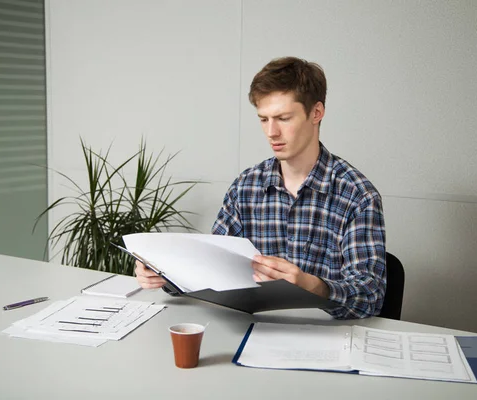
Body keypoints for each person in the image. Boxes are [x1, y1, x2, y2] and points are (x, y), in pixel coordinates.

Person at [135, 56, 386, 319]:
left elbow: (370, 299)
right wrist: (164, 273)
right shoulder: (245, 187)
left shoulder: (358, 196)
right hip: (252, 329)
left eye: (283, 118)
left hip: (328, 338)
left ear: (316, 113)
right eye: (263, 119)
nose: (271, 132)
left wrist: (311, 285)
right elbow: (211, 270)